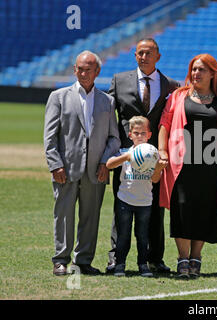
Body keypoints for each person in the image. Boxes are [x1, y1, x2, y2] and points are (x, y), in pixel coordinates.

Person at [44, 51, 120, 276]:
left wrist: (106, 162)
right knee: (64, 215)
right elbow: (50, 136)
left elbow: (114, 137)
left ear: (98, 71)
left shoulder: (108, 101)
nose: (83, 73)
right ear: (74, 70)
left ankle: (84, 261)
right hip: (65, 170)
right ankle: (60, 260)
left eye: (88, 69)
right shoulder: (58, 96)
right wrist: (55, 164)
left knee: (91, 217)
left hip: (96, 171)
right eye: (79, 68)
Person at [107, 38, 179, 274]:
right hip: (125, 158)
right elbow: (109, 119)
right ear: (135, 56)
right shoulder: (119, 81)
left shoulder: (171, 85)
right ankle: (116, 258)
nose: (143, 57)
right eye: (139, 53)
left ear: (158, 56)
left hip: (156, 159)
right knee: (122, 208)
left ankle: (155, 258)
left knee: (156, 208)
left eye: (148, 53)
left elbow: (173, 122)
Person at [158, 54, 217, 278]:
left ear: (212, 73)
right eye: (194, 69)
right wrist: (162, 150)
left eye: (201, 70)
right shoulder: (178, 96)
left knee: (205, 210)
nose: (196, 73)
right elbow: (165, 124)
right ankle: (182, 258)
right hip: (182, 164)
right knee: (181, 209)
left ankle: (196, 257)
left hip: (211, 164)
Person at [106, 116, 166, 277]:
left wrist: (158, 169)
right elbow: (109, 164)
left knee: (142, 236)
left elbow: (154, 180)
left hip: (145, 202)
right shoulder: (126, 152)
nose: (140, 136)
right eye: (136, 133)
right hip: (125, 200)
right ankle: (120, 264)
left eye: (143, 133)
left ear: (149, 135)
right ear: (129, 134)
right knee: (123, 235)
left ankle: (143, 265)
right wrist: (126, 157)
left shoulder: (153, 155)